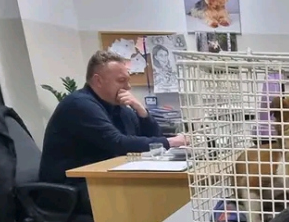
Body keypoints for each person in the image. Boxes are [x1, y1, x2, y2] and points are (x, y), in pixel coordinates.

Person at [38, 50, 187, 213]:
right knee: (149, 200)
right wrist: (173, 141)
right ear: (98, 81)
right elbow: (117, 143)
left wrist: (141, 111)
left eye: (128, 80)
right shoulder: (79, 104)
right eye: (121, 81)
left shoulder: (117, 106)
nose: (128, 87)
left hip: (101, 179)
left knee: (162, 192)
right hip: (70, 189)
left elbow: (153, 138)